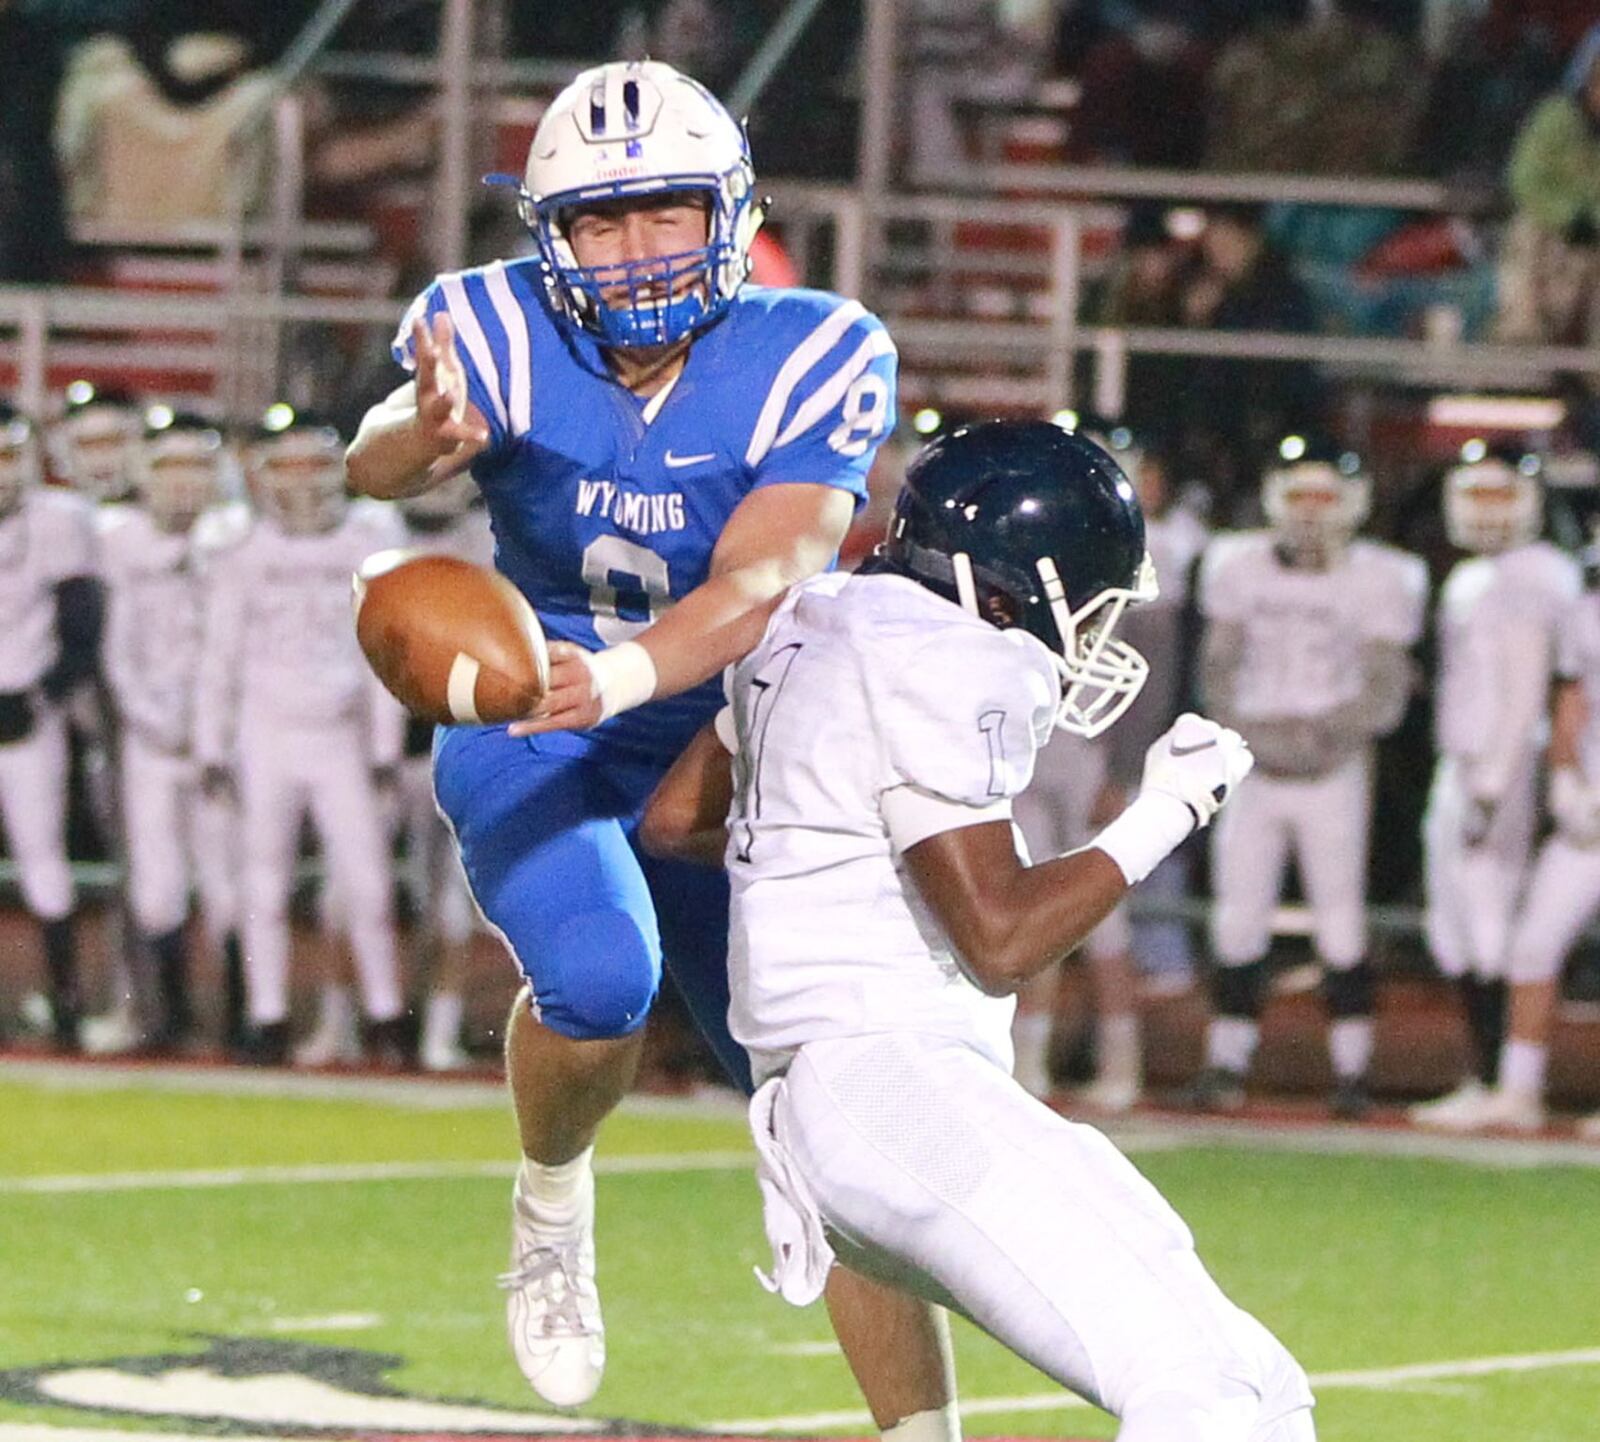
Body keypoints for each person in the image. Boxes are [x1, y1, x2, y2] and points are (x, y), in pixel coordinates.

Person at [344, 58, 958, 1435]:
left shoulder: (817, 343)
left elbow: (764, 579)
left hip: (724, 729)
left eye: (667, 213)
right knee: (603, 977)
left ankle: (925, 1432)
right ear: (547, 239)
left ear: (732, 212)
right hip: (539, 719)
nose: (635, 252)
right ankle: (551, 1200)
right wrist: (413, 437)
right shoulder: (489, 329)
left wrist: (617, 676)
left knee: (830, 1119)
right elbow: (370, 459)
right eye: (601, 223)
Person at [640, 420, 1314, 1442]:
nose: (1090, 634)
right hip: (892, 1083)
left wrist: (816, 851)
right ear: (1005, 588)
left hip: (831, 1107)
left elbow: (679, 816)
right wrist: (1166, 809)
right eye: (1087, 604)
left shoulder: (817, 617)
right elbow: (1000, 937)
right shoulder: (945, 656)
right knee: (1202, 1386)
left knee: (1258, 1383)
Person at [1191, 441, 1427, 1118]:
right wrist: (1259, 739)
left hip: (1335, 764)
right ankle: (1226, 1061)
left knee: (1340, 921)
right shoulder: (1236, 566)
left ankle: (1354, 1072)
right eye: (1301, 496)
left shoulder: (1384, 577)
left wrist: (1320, 739)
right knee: (1239, 916)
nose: (1313, 512)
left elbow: (1384, 692)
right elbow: (1218, 671)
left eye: (1326, 496)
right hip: (1255, 762)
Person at [195, 406, 408, 1068]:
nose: (302, 483)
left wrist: (383, 744)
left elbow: (385, 649)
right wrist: (211, 744)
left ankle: (384, 1015)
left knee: (367, 883)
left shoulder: (370, 540)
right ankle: (266, 1013)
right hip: (267, 730)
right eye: (285, 467)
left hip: (340, 732)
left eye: (313, 465)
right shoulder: (241, 550)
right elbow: (219, 656)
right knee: (263, 884)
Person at [1412, 455, 1581, 1130]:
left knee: (1489, 924)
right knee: (1453, 925)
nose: (1484, 505)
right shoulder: (1473, 574)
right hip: (1462, 762)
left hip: (1500, 769)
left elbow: (1524, 694)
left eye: (1497, 491)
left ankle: (1500, 1081)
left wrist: (1493, 783)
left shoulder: (1539, 574)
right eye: (1473, 491)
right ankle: (1484, 1077)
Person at [99, 408, 244, 1052]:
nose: (183, 483)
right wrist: (154, 720)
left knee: (229, 886)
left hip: (225, 739)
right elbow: (115, 650)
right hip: (151, 738)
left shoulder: (238, 537)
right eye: (168, 467)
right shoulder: (117, 538)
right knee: (156, 888)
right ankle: (168, 1017)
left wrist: (217, 727)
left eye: (195, 466)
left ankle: (241, 1018)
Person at [1470, 561, 1600, 1133]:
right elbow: (1572, 702)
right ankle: (1519, 1090)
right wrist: (1568, 781)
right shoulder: (1586, 612)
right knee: (1533, 946)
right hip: (1590, 816)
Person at [0, 398, 102, 1051]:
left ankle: (66, 1004)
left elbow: (82, 629)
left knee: (43, 857)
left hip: (26, 711)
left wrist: (41, 696)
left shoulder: (60, 521)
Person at [1499, 23, 1600, 344]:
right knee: (1527, 232)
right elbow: (1524, 178)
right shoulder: (1555, 119)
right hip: (1551, 242)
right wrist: (1571, 218)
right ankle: (1521, 348)